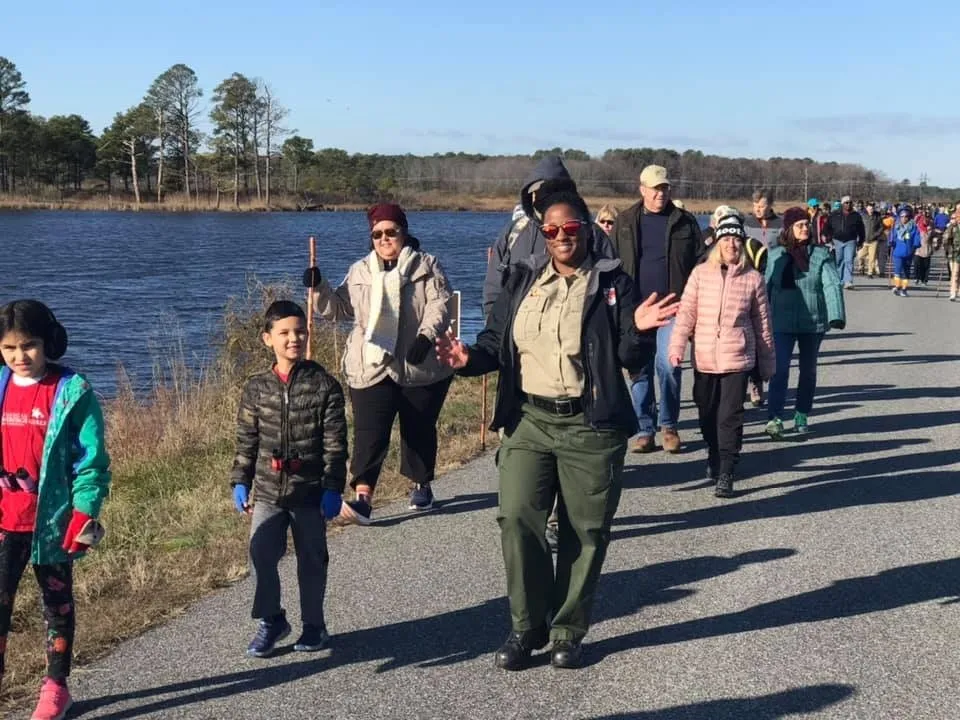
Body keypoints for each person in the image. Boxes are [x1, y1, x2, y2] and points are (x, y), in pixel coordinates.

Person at [436, 190, 678, 671]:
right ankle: (528, 626)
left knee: (583, 531)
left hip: (590, 424)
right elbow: (494, 342)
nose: (562, 236)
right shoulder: (523, 279)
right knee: (517, 518)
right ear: (542, 235)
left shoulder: (612, 283)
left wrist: (642, 328)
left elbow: (631, 358)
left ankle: (568, 629)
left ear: (587, 230)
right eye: (551, 230)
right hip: (530, 418)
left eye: (570, 228)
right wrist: (467, 360)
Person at [304, 203, 454, 521]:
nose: (385, 239)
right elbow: (339, 309)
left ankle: (421, 484)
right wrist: (318, 288)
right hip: (371, 365)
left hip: (418, 365)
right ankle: (363, 498)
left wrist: (425, 337)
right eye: (378, 234)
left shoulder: (426, 266)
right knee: (370, 432)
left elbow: (440, 304)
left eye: (391, 232)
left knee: (418, 429)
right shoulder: (360, 271)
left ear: (404, 232)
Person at [0, 300, 111, 720]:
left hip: (53, 523)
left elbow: (92, 461)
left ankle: (55, 688)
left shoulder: (72, 391)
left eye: (28, 346)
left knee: (57, 605)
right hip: (4, 522)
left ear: (48, 342)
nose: (19, 357)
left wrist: (84, 510)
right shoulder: (1, 385)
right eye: (8, 348)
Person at [230, 300, 348, 658]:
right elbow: (246, 440)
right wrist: (240, 479)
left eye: (299, 332)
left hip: (310, 492)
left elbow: (335, 444)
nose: (293, 338)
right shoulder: (256, 388)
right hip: (267, 490)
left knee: (312, 561)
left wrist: (332, 488)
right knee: (260, 554)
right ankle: (272, 619)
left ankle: (314, 625)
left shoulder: (325, 386)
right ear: (268, 339)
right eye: (284, 333)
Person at [668, 214, 775, 497]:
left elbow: (763, 323)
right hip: (704, 356)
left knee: (730, 415)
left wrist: (767, 362)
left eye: (737, 239)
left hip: (737, 357)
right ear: (717, 243)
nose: (732, 244)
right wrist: (677, 347)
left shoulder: (753, 279)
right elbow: (686, 314)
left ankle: (727, 469)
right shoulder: (701, 273)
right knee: (706, 413)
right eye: (726, 239)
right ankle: (713, 453)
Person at [610, 164, 705, 454]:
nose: (660, 194)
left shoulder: (685, 222)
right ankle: (644, 429)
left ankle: (669, 426)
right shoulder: (624, 222)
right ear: (642, 189)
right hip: (635, 309)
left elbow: (700, 263)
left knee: (669, 365)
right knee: (639, 370)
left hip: (673, 307)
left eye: (664, 188)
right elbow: (610, 264)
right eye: (655, 189)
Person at [481, 156, 615, 321]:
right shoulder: (513, 232)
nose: (546, 198)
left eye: (553, 191)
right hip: (520, 333)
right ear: (530, 196)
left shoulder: (591, 233)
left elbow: (612, 286)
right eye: (539, 192)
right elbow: (494, 287)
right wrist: (493, 326)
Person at [764, 207, 846, 439]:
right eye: (799, 225)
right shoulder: (776, 255)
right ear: (788, 228)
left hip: (813, 323)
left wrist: (836, 315)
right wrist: (758, 318)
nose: (805, 228)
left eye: (806, 224)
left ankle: (801, 413)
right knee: (779, 371)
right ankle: (775, 417)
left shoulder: (820, 255)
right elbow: (765, 288)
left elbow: (831, 285)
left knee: (808, 371)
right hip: (781, 322)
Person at [826, 195, 866, 290]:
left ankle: (848, 281)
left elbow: (861, 229)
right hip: (837, 240)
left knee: (848, 260)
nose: (848, 204)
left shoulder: (856, 215)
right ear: (842, 204)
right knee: (839, 260)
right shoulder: (834, 214)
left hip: (851, 240)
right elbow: (828, 226)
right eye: (846, 203)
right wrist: (827, 237)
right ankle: (840, 280)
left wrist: (861, 241)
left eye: (850, 202)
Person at [888, 205, 923, 297]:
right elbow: (892, 236)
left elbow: (917, 237)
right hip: (897, 252)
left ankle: (904, 289)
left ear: (909, 217)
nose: (904, 218)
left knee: (906, 272)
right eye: (902, 216)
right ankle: (897, 286)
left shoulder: (913, 227)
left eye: (906, 216)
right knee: (897, 270)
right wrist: (890, 241)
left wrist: (915, 245)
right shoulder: (896, 226)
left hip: (908, 252)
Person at [856, 202, 885, 278]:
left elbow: (881, 227)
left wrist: (876, 234)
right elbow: (858, 226)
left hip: (874, 241)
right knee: (860, 255)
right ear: (866, 208)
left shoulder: (877, 216)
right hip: (864, 240)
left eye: (872, 208)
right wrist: (860, 236)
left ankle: (870, 273)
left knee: (872, 258)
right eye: (870, 208)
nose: (871, 210)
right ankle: (865, 266)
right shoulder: (862, 215)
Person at [942, 201, 960, 301]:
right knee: (955, 273)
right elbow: (945, 239)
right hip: (954, 253)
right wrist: (951, 227)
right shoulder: (952, 226)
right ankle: (953, 292)